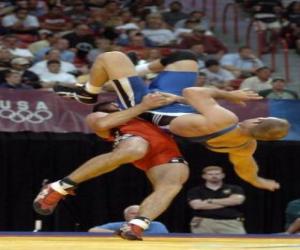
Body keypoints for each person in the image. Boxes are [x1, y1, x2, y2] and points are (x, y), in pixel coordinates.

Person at [52, 50, 290, 192]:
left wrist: (230, 94)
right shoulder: (244, 146)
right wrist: (260, 181)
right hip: (175, 107)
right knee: (184, 58)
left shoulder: (228, 118)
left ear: (258, 121)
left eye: (261, 118)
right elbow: (246, 170)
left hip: (150, 106)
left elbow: (192, 92)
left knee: (111, 58)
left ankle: (89, 92)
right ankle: (136, 70)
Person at [33, 92, 189, 241]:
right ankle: (59, 186)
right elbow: (102, 123)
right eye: (114, 104)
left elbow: (193, 109)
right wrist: (143, 105)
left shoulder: (146, 114)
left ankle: (136, 225)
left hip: (164, 149)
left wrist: (177, 99)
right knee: (134, 150)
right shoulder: (99, 114)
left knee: (174, 182)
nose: (117, 104)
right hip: (135, 138)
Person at [187, 166, 246, 234]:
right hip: (203, 222)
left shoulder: (235, 188)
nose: (214, 176)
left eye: (217, 174)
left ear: (223, 175)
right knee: (202, 244)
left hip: (231, 223)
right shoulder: (195, 190)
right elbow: (197, 206)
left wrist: (210, 201)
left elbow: (237, 201)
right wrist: (227, 203)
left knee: (237, 244)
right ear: (204, 176)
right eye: (210, 174)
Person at [89, 205, 169, 234]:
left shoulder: (157, 225)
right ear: (125, 216)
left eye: (140, 213)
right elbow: (92, 230)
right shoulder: (119, 224)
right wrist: (118, 233)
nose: (137, 215)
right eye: (133, 213)